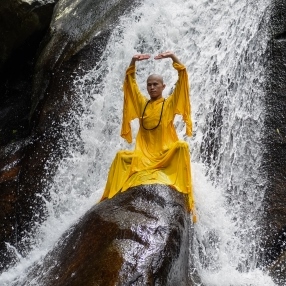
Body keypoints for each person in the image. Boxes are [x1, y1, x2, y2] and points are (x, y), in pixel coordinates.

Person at [101, 51, 196, 221]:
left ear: (163, 87)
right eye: (149, 85)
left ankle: (184, 192)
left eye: (155, 84)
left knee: (182, 147)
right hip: (143, 157)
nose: (152, 87)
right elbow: (130, 85)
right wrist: (132, 62)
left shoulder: (169, 104)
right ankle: (110, 198)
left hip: (164, 154)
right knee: (121, 156)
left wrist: (173, 57)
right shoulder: (142, 105)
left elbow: (182, 79)